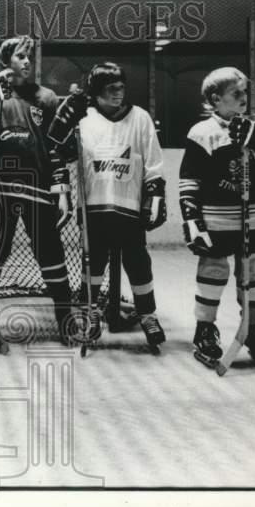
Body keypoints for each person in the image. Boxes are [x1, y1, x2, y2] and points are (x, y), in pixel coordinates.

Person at [0, 36, 77, 345]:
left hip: (38, 190)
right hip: (0, 189)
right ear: (5, 62)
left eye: (30, 56)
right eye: (20, 56)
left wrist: (62, 189)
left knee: (51, 254)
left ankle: (65, 316)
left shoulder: (48, 97)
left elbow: (56, 149)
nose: (27, 61)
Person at [49, 62, 167, 351]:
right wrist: (61, 188)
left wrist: (155, 192)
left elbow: (153, 160)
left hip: (129, 207)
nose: (118, 93)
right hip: (94, 208)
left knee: (138, 263)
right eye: (110, 89)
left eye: (121, 87)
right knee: (93, 264)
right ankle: (91, 313)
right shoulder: (83, 118)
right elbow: (56, 152)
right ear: (97, 92)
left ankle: (148, 314)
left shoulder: (139, 117)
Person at [179, 66, 255, 368]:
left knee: (251, 271)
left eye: (245, 92)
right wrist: (192, 219)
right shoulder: (202, 133)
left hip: (253, 216)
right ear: (215, 99)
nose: (244, 98)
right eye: (236, 93)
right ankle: (205, 329)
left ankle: (251, 329)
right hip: (216, 217)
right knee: (214, 268)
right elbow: (189, 179)